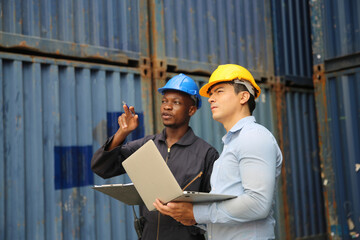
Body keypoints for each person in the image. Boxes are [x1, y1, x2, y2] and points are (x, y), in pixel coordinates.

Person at [154, 64, 283, 240]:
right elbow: (227, 211)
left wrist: (196, 213)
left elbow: (258, 204)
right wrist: (191, 218)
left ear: (244, 96)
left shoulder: (254, 137)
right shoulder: (232, 143)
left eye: (219, 91)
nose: (210, 99)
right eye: (211, 94)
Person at [91, 73, 219, 240]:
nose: (167, 107)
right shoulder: (146, 146)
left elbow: (216, 209)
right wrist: (122, 133)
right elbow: (102, 168)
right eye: (164, 101)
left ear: (191, 110)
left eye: (176, 103)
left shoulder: (206, 154)